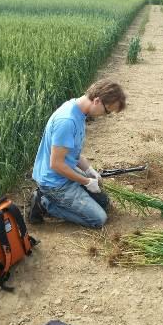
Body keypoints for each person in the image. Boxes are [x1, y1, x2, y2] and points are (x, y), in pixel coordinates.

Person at [28, 79, 126, 228]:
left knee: (103, 202)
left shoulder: (79, 111)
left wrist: (89, 170)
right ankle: (44, 203)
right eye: (107, 111)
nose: (105, 115)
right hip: (54, 183)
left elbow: (72, 154)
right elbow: (56, 164)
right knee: (98, 219)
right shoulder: (67, 120)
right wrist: (86, 181)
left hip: (66, 172)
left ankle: (56, 199)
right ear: (97, 101)